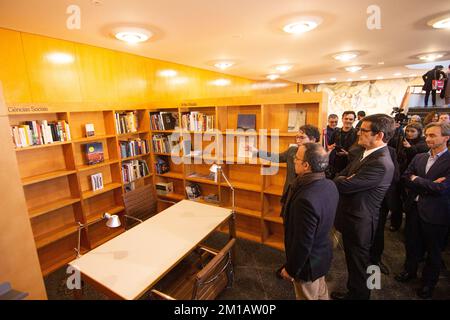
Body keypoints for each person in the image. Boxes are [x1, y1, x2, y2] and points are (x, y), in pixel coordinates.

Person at [331, 114, 395, 300]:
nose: (358, 132)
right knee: (353, 262)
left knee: (359, 265)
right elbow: (342, 175)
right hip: (350, 216)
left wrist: (343, 179)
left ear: (379, 135)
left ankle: (359, 296)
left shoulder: (380, 162)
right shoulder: (365, 152)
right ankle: (354, 292)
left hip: (360, 221)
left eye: (364, 130)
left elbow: (344, 184)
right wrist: (343, 178)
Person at [395, 122, 450, 299]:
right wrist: (428, 184)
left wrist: (416, 180)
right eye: (426, 135)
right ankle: (409, 271)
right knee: (411, 244)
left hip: (436, 213)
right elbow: (405, 178)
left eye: (433, 135)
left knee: (433, 252)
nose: (428, 138)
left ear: (446, 138)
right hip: (414, 209)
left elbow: (442, 188)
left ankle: (428, 283)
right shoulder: (419, 157)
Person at [280, 143, 339, 300]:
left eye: (297, 158)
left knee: (307, 296)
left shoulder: (305, 198)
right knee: (321, 291)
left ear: (306, 165)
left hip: (308, 263)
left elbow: (303, 241)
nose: (293, 160)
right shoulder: (330, 185)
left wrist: (291, 269)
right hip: (322, 254)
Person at [392, 123, 429, 231]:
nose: (409, 133)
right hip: (400, 174)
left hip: (412, 177)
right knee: (397, 200)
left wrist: (409, 148)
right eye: (407, 131)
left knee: (409, 202)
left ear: (419, 132)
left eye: (412, 131)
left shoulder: (422, 143)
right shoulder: (401, 140)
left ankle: (409, 228)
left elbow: (418, 154)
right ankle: (395, 223)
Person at [327, 111, 358, 178]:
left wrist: (347, 154)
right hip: (335, 163)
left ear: (354, 120)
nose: (348, 121)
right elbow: (329, 145)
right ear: (342, 119)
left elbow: (359, 152)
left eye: (350, 119)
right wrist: (331, 147)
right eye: (346, 118)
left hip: (349, 165)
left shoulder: (357, 134)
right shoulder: (336, 132)